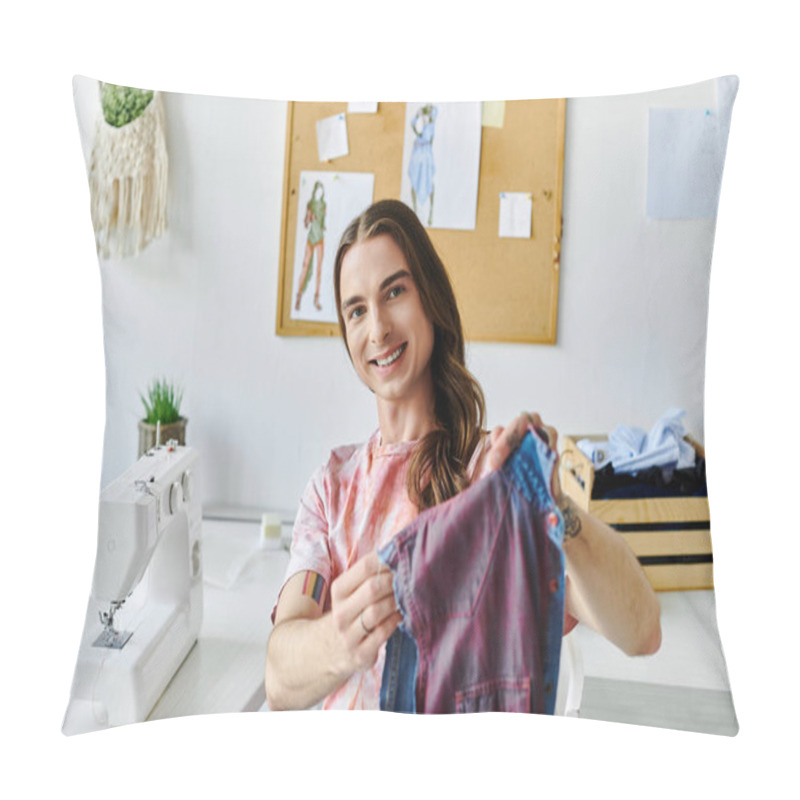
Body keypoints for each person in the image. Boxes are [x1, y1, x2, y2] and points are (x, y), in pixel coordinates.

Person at [265, 199, 661, 712]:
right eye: (357, 310)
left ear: (431, 299)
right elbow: (278, 677)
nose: (378, 328)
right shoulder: (332, 486)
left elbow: (641, 632)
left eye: (395, 292)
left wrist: (554, 507)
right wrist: (338, 642)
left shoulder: (489, 476)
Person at [295, 180, 327, 312]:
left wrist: (321, 224)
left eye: (321, 192)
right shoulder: (310, 204)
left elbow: (323, 223)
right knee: (305, 266)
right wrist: (310, 218)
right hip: (311, 238)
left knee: (319, 269)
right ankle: (299, 297)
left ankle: (316, 299)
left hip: (320, 238)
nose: (319, 194)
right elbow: (306, 223)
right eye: (317, 191)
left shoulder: (324, 204)